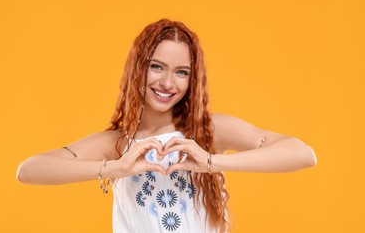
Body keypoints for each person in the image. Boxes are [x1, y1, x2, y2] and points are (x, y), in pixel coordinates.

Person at [16, 19, 317, 233]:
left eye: (181, 72)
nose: (167, 83)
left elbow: (302, 154)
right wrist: (114, 169)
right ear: (139, 68)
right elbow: (29, 170)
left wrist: (210, 162)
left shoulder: (208, 132)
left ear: (192, 79)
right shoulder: (118, 144)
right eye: (156, 66)